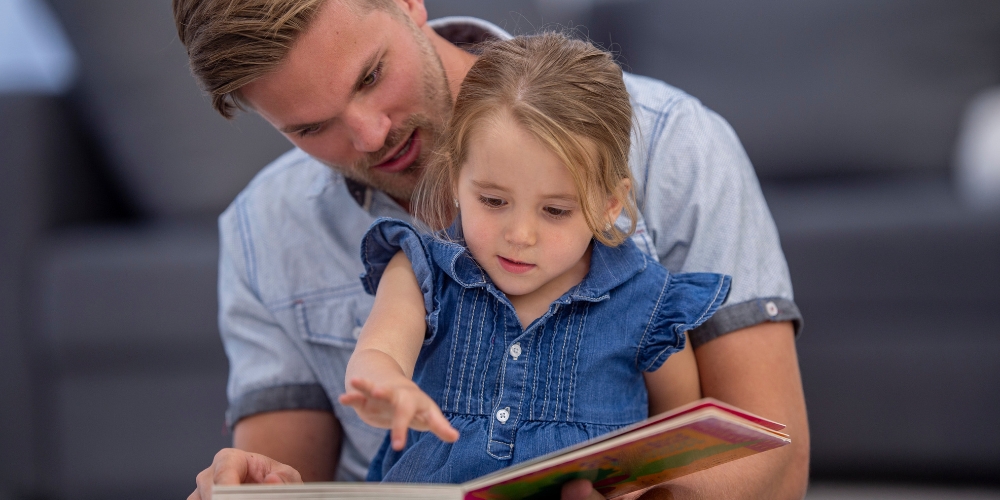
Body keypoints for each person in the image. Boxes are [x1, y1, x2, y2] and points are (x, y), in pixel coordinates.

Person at [172, 0, 810, 498]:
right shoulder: (264, 228)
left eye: (371, 76)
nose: (371, 135)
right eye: (311, 127)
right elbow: (290, 480)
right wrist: (251, 488)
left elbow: (766, 460)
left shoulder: (677, 146)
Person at [339, 32, 731, 484]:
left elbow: (677, 439)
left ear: (610, 204)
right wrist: (386, 385)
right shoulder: (421, 271)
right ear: (454, 180)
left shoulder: (648, 305)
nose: (520, 236)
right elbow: (378, 351)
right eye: (492, 201)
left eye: (555, 211)